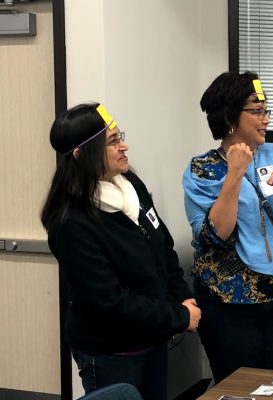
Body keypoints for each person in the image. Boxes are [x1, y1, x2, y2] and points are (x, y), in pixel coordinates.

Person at [40, 103, 201, 400]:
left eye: (120, 136)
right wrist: (177, 316)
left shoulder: (130, 186)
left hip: (152, 337)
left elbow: (162, 247)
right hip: (111, 351)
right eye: (113, 142)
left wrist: (180, 296)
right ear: (80, 154)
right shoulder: (71, 221)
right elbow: (108, 300)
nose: (124, 146)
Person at [183, 71, 273, 383]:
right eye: (257, 111)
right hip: (229, 306)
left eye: (267, 111)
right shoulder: (203, 168)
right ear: (230, 116)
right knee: (241, 389)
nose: (266, 120)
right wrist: (235, 173)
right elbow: (214, 235)